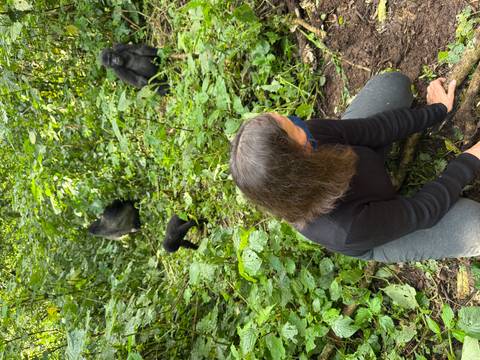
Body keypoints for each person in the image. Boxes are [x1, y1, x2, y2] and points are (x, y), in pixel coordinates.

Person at [230, 72, 480, 263]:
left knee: (392, 85)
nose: (301, 123)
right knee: (475, 226)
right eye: (294, 127)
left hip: (365, 166)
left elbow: (373, 129)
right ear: (298, 163)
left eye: (290, 120)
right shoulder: (345, 229)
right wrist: (468, 160)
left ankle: (382, 174)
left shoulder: (309, 138)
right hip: (376, 229)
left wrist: (437, 111)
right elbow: (423, 210)